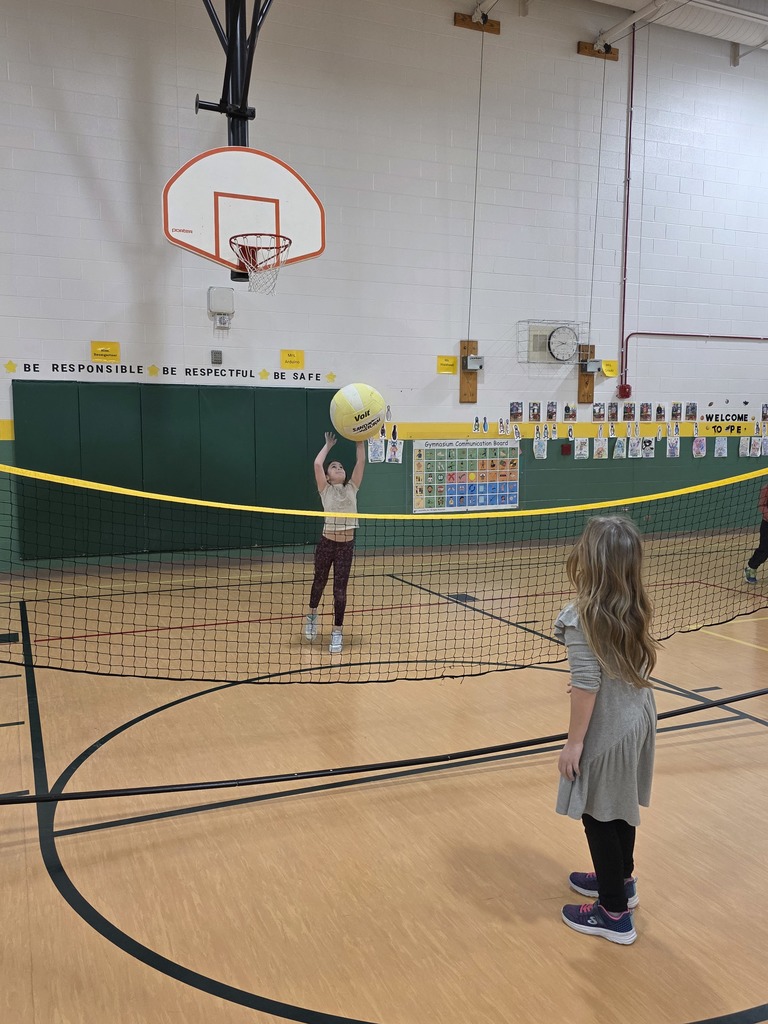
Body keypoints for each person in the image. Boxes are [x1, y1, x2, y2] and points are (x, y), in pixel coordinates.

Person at [555, 516, 659, 945]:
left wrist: (574, 742)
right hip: (638, 716)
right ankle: (621, 880)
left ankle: (613, 912)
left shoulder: (582, 617)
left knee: (597, 812)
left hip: (609, 727)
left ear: (589, 560)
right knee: (619, 805)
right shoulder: (632, 603)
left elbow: (586, 685)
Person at [304, 432, 365, 654]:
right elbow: (317, 463)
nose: (338, 468)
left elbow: (361, 462)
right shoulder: (325, 489)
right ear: (328, 477)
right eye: (334, 467)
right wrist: (328, 445)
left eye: (340, 466)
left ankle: (337, 632)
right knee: (319, 583)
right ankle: (312, 616)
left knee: (340, 591)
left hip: (345, 547)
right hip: (327, 543)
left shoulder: (352, 488)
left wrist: (360, 441)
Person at [744, 480, 768, 583]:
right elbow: (762, 506)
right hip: (767, 524)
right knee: (765, 550)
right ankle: (751, 568)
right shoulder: (766, 489)